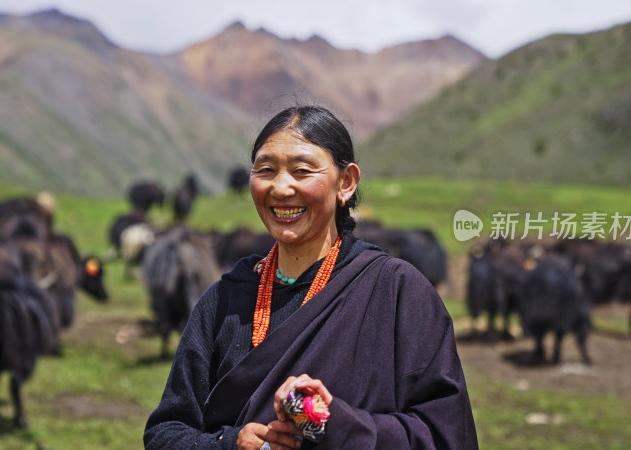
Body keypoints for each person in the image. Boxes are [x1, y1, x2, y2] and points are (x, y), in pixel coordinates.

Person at [144, 105, 478, 449]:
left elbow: (446, 436)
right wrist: (228, 444)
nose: (281, 187)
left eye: (302, 171)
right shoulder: (224, 300)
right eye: (266, 170)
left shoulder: (398, 292)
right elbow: (165, 433)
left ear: (345, 182)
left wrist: (336, 424)